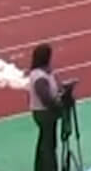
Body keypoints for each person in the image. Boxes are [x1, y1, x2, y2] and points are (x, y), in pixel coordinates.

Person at [28, 43, 63, 171]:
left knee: (44, 140)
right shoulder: (39, 76)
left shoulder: (45, 72)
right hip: (44, 113)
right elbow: (45, 97)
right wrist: (58, 105)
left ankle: (40, 167)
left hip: (45, 113)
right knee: (48, 144)